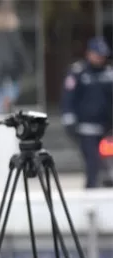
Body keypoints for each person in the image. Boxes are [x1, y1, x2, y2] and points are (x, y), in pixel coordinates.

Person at [61, 36, 113, 189]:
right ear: (89, 53)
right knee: (93, 163)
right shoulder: (78, 72)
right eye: (97, 54)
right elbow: (68, 98)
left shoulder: (109, 74)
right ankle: (91, 193)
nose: (100, 58)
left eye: (103, 55)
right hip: (86, 128)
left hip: (106, 129)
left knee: (107, 165)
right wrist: (69, 119)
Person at [0, 0, 33, 113]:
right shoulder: (12, 25)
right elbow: (18, 47)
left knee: (0, 91)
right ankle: (1, 111)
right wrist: (26, 64)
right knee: (11, 91)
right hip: (11, 65)